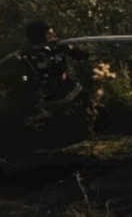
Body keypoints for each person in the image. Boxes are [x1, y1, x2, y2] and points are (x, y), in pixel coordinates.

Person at [17, 20, 91, 148]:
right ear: (40, 37)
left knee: (88, 107)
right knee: (61, 122)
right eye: (49, 34)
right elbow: (45, 71)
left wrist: (71, 48)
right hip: (51, 95)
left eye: (52, 33)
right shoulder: (32, 55)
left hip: (71, 88)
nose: (53, 36)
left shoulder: (58, 46)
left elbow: (82, 56)